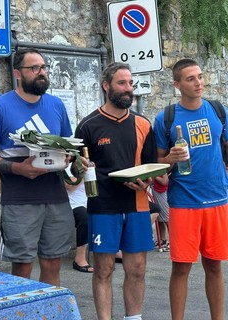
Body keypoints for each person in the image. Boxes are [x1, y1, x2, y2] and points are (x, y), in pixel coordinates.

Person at [0, 48, 74, 286]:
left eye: (43, 67)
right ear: (18, 73)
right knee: (23, 266)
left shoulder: (56, 105)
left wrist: (71, 159)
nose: (41, 73)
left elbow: (68, 146)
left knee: (52, 263)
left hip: (56, 196)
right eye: (34, 68)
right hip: (19, 200)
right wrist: (19, 169)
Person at [74, 62, 157, 320]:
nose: (128, 89)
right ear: (106, 85)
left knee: (138, 269)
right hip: (102, 207)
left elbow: (152, 167)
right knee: (104, 270)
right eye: (122, 83)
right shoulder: (88, 125)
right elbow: (76, 171)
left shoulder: (143, 124)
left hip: (137, 205)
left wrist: (147, 182)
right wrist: (77, 168)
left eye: (130, 84)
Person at [153, 58, 228, 320]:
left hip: (218, 199)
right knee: (181, 268)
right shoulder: (166, 118)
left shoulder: (219, 110)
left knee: (215, 266)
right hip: (184, 202)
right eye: (190, 78)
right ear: (177, 84)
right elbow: (157, 163)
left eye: (199, 76)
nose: (198, 82)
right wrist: (169, 160)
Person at [64, 166, 93, 273]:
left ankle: (117, 251)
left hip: (91, 202)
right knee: (84, 216)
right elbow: (69, 184)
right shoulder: (66, 165)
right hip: (72, 205)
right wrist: (87, 173)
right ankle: (79, 258)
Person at [151, 174, 170, 252]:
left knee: (167, 218)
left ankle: (172, 241)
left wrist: (153, 175)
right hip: (156, 189)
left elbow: (164, 181)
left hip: (161, 191)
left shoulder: (160, 167)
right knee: (160, 217)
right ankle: (162, 239)